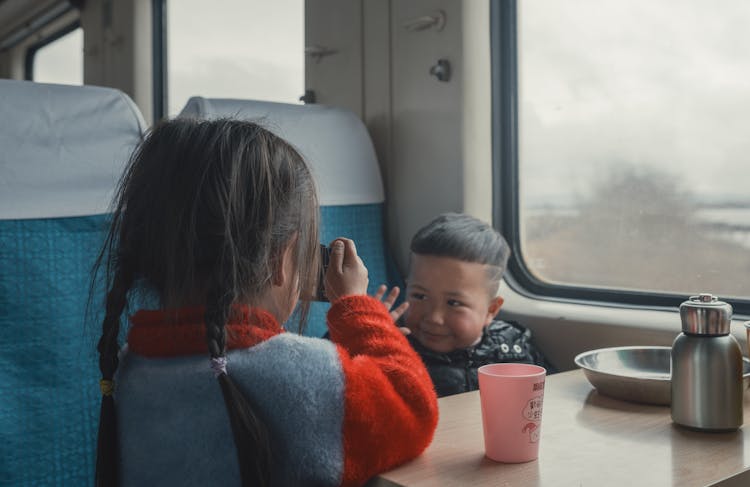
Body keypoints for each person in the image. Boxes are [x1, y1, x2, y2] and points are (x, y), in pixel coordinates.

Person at [90, 118, 438, 487]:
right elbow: (412, 409)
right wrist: (355, 305)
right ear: (278, 261)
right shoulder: (305, 376)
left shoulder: (129, 367)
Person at [379, 212, 551, 397]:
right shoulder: (393, 351)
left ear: (490, 311)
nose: (434, 317)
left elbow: (543, 400)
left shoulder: (514, 347)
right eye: (420, 296)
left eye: (454, 303)